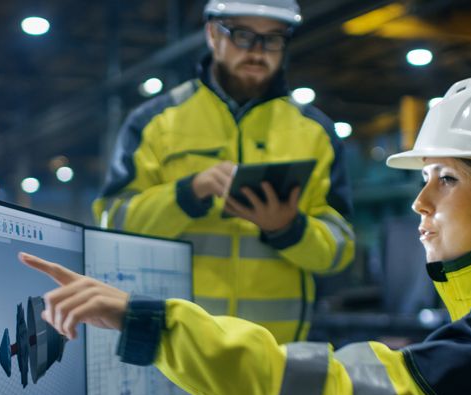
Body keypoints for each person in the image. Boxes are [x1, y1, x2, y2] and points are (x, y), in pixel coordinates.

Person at [23, 75, 471, 395]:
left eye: (447, 179)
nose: (420, 199)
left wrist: (151, 323)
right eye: (427, 177)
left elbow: (355, 389)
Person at [92, 0, 354, 344]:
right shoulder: (155, 123)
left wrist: (289, 229)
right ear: (212, 34)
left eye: (273, 38)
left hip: (276, 355)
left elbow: (340, 249)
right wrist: (188, 194)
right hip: (177, 348)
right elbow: (112, 223)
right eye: (243, 35)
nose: (258, 52)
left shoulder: (315, 132)